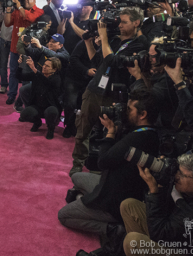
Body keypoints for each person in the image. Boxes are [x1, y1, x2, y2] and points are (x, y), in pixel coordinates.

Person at [59, 89, 160, 253]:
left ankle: (111, 229)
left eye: (129, 109)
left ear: (143, 114)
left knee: (64, 215)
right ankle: (84, 200)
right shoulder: (149, 133)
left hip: (113, 200)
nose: (125, 112)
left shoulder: (137, 139)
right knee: (77, 177)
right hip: (110, 183)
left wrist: (111, 132)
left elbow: (102, 162)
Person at [70, 9, 148, 177]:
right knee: (82, 129)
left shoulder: (140, 43)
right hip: (94, 89)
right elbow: (97, 60)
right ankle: (78, 163)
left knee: (110, 132)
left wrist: (103, 37)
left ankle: (101, 169)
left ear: (136, 23)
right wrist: (89, 42)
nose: (119, 25)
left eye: (124, 22)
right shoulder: (114, 39)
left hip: (115, 95)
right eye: (119, 22)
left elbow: (112, 60)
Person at [121, 153, 193, 256]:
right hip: (176, 237)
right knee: (129, 206)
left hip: (191, 250)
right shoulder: (190, 190)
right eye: (178, 171)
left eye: (182, 175)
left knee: (133, 241)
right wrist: (161, 183)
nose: (176, 176)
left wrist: (154, 191)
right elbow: (166, 212)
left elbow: (160, 233)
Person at [4, 0, 44, 105]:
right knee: (13, 73)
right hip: (15, 48)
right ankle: (11, 95)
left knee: (26, 75)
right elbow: (7, 23)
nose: (26, 0)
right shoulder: (16, 11)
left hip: (28, 50)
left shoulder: (39, 11)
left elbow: (30, 19)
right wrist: (8, 8)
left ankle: (23, 98)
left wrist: (20, 6)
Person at [17, 56, 62, 139]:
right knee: (24, 115)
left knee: (51, 111)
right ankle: (37, 122)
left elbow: (46, 82)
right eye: (44, 65)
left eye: (47, 66)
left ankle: (51, 128)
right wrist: (20, 65)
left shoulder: (56, 79)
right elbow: (19, 77)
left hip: (51, 107)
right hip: (37, 106)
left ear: (54, 69)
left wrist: (34, 69)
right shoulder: (37, 75)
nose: (44, 67)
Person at [62, 38, 99, 138]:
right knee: (70, 103)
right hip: (74, 77)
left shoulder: (105, 45)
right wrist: (86, 70)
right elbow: (73, 58)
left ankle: (76, 127)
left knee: (81, 105)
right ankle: (68, 126)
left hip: (90, 80)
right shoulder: (85, 42)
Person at [0, 0, 25, 94]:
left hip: (16, 40)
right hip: (4, 38)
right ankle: (4, 85)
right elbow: (0, 18)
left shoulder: (21, 6)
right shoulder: (5, 4)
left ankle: (15, 88)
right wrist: (1, 5)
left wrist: (18, 5)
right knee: (3, 65)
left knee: (15, 67)